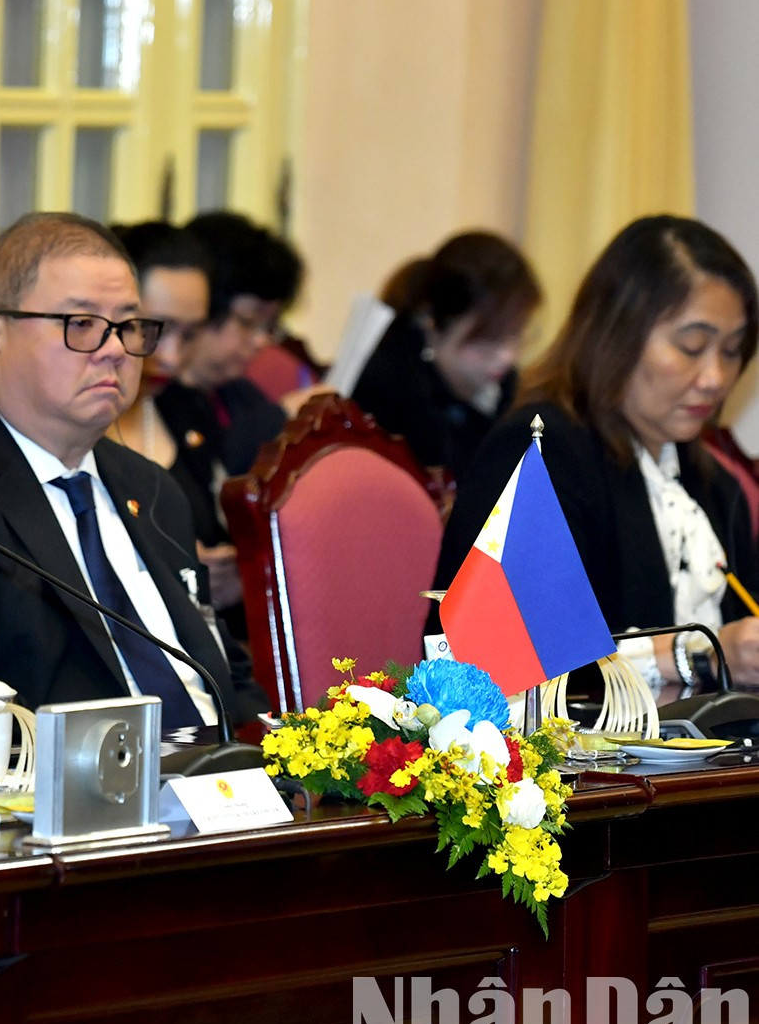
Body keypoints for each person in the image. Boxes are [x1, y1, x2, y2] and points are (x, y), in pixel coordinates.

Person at [0, 212, 267, 730]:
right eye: (81, 324)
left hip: (221, 793)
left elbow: (227, 675)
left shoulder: (150, 487)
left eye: (129, 326)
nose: (114, 351)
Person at [432, 215, 759, 692]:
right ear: (618, 331)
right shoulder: (541, 453)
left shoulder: (714, 487)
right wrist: (700, 657)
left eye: (732, 351)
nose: (715, 377)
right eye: (691, 346)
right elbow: (498, 664)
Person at [108, 222, 239, 611]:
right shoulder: (74, 422)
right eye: (152, 330)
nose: (170, 356)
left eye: (190, 334)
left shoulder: (186, 409)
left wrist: (231, 576)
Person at [352, 231, 540, 483]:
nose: (506, 356)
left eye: (515, 335)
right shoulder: (386, 386)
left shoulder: (509, 391)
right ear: (433, 322)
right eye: (486, 342)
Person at [158, 212, 309, 513]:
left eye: (269, 326)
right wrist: (278, 419)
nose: (261, 341)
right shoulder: (153, 398)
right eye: (247, 321)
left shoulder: (242, 395)